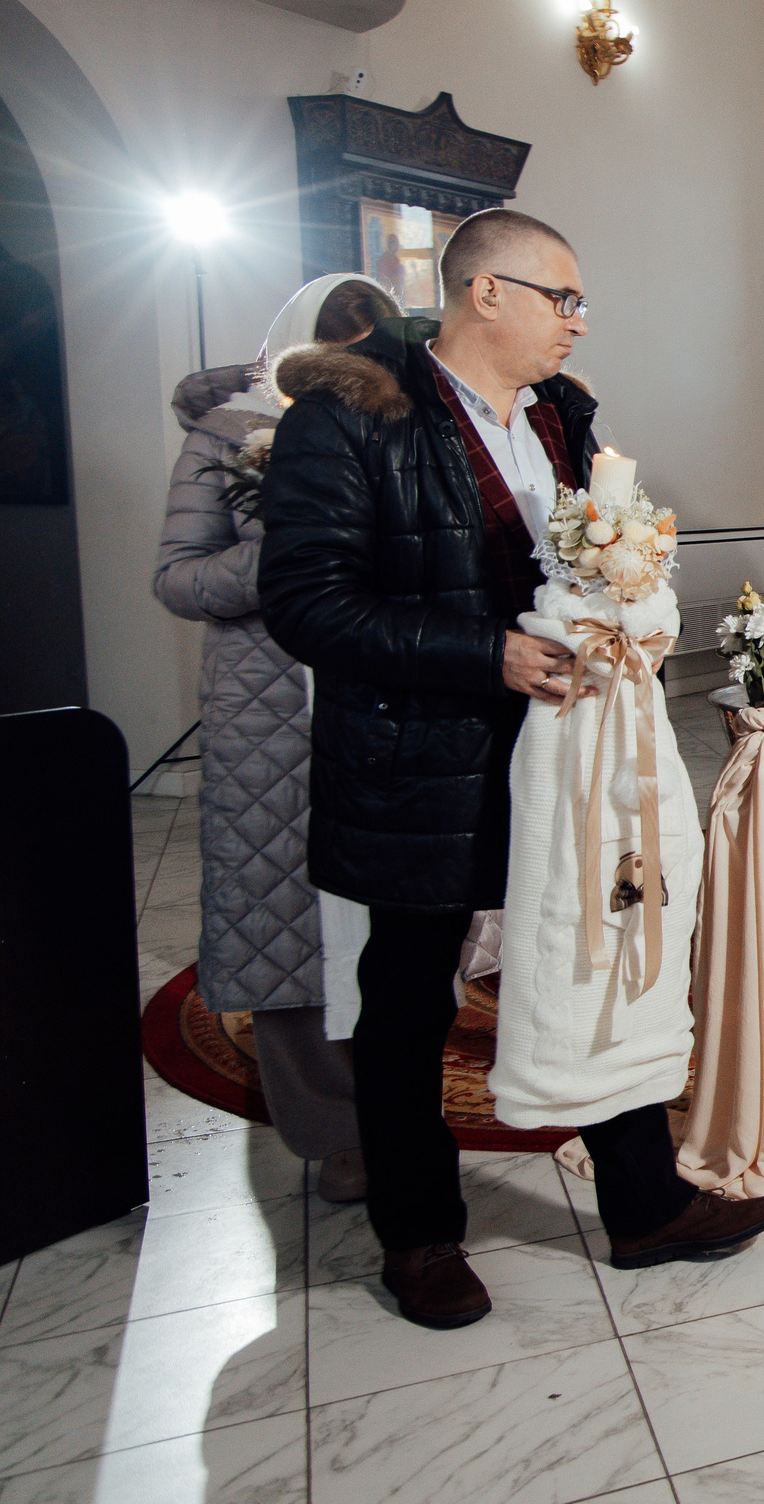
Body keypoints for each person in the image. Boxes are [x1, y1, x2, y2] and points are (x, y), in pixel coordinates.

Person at [262, 208, 764, 1331]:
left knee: (602, 956)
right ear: (483, 292)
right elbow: (306, 603)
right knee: (409, 994)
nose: (577, 325)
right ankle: (419, 1234)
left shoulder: (567, 420)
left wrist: (632, 619)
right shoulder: (348, 418)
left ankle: (644, 1205)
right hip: (422, 758)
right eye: (564, 299)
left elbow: (600, 563)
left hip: (570, 753)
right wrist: (482, 653)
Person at [153, 273, 401, 1204]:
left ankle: (393, 1100)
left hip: (372, 689)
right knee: (284, 914)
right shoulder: (230, 435)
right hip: (267, 705)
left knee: (381, 915)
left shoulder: (385, 422)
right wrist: (294, 547)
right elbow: (178, 578)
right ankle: (329, 1126)